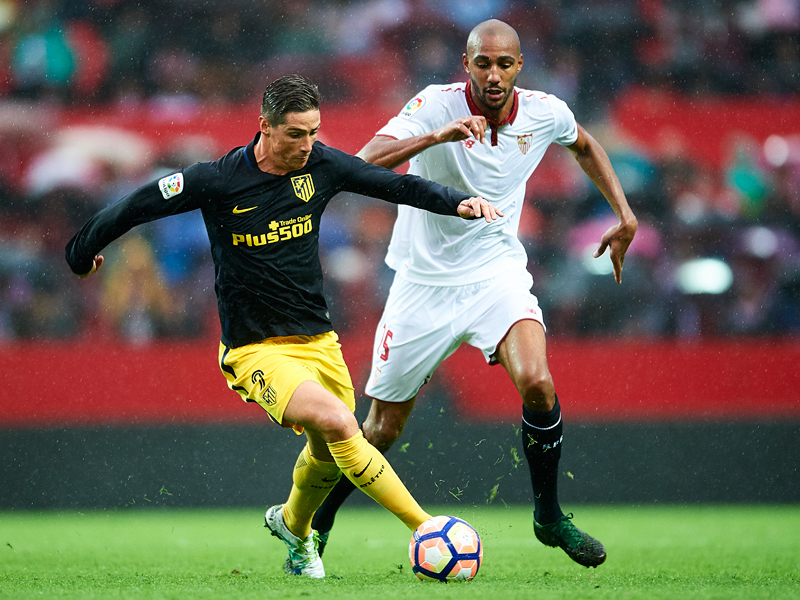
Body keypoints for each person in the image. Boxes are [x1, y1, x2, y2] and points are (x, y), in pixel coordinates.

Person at [65, 74, 501, 579]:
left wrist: (455, 201)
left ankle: (294, 529)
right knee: (341, 424)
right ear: (265, 127)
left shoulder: (321, 165)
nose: (307, 144)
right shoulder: (217, 179)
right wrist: (81, 252)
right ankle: (426, 527)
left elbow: (394, 184)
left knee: (328, 451)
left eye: (313, 132)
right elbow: (138, 205)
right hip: (255, 348)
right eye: (295, 134)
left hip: (320, 341)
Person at [311, 20, 638, 569]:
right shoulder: (434, 105)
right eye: (483, 63)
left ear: (519, 67)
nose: (493, 74)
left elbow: (584, 143)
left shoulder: (544, 111)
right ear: (467, 64)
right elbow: (360, 164)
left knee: (538, 383)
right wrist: (435, 138)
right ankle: (319, 521)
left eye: (504, 64)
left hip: (496, 276)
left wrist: (624, 214)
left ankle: (549, 517)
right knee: (381, 429)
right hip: (422, 285)